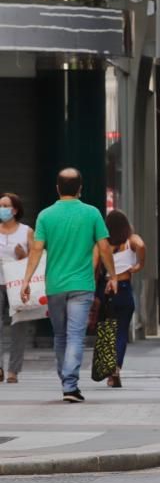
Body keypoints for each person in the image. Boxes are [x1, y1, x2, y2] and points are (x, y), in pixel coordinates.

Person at [21, 168, 116, 403]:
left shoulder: (45, 215)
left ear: (57, 188)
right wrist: (113, 275)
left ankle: (66, 381)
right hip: (82, 284)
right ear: (80, 189)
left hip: (55, 285)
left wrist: (26, 280)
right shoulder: (92, 213)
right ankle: (70, 385)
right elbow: (104, 247)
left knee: (60, 335)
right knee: (75, 335)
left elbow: (36, 249)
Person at [97, 210, 145, 388]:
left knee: (107, 331)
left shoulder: (102, 243)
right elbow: (141, 245)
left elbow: (94, 267)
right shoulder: (130, 240)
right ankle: (116, 369)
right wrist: (140, 265)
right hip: (124, 289)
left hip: (106, 289)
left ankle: (109, 371)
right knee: (122, 332)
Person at [0, 193, 33, 384]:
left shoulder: (26, 231)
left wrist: (23, 256)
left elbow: (37, 257)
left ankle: (13, 370)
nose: (2, 209)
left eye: (5, 205)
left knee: (18, 327)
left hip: (17, 284)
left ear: (15, 209)